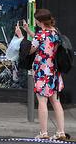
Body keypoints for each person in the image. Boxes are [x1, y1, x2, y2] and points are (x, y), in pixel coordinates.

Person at [16, 9, 67, 140]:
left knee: (42, 102)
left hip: (42, 71)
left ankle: (44, 133)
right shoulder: (55, 32)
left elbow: (29, 50)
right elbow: (43, 41)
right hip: (54, 70)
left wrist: (21, 37)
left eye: (36, 20)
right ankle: (61, 132)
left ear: (40, 21)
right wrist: (28, 31)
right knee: (56, 101)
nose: (36, 22)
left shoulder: (41, 35)